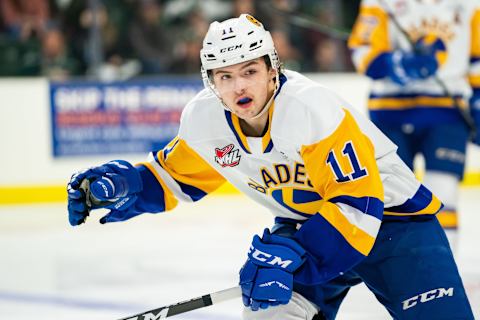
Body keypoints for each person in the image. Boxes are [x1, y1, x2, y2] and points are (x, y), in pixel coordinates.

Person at [67, 14, 474, 319]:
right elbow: (175, 178)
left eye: (249, 71)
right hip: (310, 229)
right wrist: (126, 185)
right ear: (210, 81)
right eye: (224, 77)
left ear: (271, 68)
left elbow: (359, 204)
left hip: (394, 228)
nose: (239, 86)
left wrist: (293, 255)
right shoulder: (205, 119)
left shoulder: (309, 108)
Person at [348, 0, 480, 233]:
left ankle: (440, 267)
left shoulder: (470, 4)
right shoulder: (379, 2)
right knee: (391, 198)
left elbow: (477, 60)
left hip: (448, 113)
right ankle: (399, 266)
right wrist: (398, 64)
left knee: (443, 193)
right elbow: (363, 52)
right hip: (390, 114)